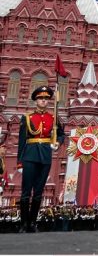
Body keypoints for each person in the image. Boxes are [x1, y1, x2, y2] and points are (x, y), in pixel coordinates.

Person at [17, 86, 65, 233]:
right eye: (40, 99)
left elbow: (62, 134)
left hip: (45, 156)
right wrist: (20, 162)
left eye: (46, 99)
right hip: (30, 156)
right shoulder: (27, 117)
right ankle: (24, 223)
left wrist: (57, 142)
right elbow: (21, 141)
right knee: (26, 192)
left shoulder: (53, 118)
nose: (43, 101)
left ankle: (33, 223)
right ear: (36, 101)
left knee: (38, 192)